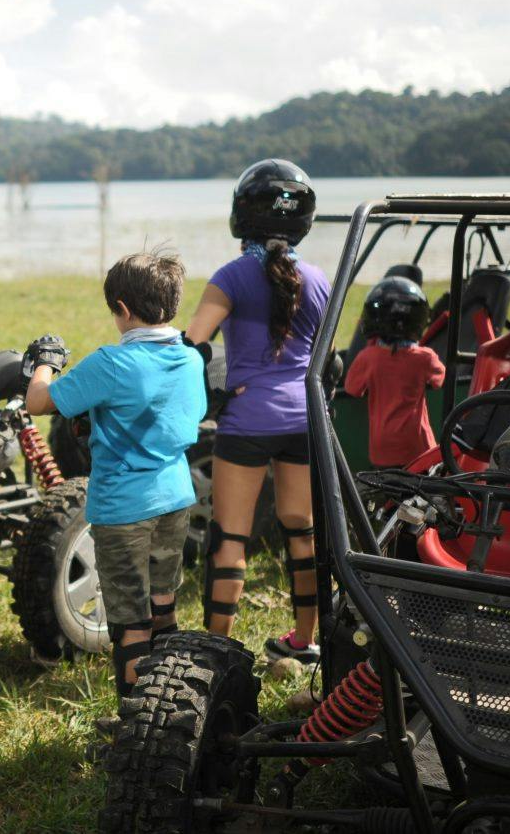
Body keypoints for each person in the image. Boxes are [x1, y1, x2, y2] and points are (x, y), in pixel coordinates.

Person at [24, 251, 207, 704]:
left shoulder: (112, 363)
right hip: (176, 497)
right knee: (163, 604)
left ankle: (135, 720)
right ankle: (171, 701)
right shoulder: (190, 359)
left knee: (129, 621)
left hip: (124, 507)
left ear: (123, 309)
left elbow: (40, 402)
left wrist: (45, 361)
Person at [184, 159, 328, 665]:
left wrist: (214, 397)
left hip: (246, 422)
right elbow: (322, 357)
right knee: (301, 528)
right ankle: (305, 640)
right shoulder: (317, 279)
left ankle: (215, 651)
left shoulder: (232, 276)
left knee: (231, 537)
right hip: (303, 421)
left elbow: (192, 344)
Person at [344, 276, 445, 469]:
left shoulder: (368, 357)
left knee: (389, 495)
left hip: (383, 449)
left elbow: (352, 388)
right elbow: (439, 380)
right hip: (419, 446)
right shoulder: (425, 358)